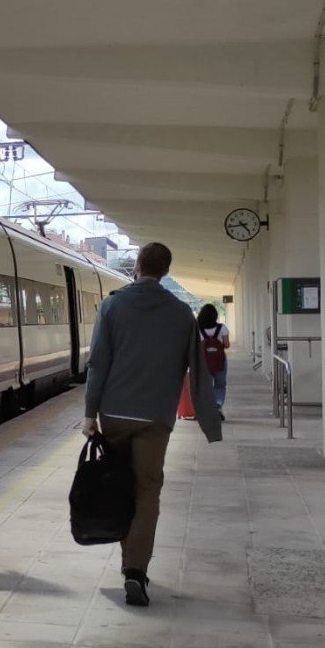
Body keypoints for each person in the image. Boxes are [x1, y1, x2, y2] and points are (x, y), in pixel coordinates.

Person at [81, 243, 222, 606]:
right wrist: (209, 421)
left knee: (122, 486)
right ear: (165, 271)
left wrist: (89, 413)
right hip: (155, 417)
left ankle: (129, 563)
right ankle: (135, 571)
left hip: (114, 414)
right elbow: (196, 367)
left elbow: (97, 363)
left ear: (138, 265)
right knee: (147, 490)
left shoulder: (112, 305)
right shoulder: (180, 313)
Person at [197, 303, 230, 410]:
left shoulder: (198, 329)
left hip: (203, 361)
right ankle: (218, 404)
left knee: (206, 385)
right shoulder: (222, 328)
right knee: (220, 384)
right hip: (220, 360)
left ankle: (206, 406)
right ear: (215, 315)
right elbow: (226, 345)